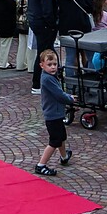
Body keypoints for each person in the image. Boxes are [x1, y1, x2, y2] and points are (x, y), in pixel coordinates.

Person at [35, 47, 72, 176]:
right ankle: (41, 165)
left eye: (55, 64)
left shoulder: (49, 76)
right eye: (49, 65)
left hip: (56, 113)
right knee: (55, 140)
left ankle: (63, 156)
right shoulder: (48, 79)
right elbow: (59, 95)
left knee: (61, 136)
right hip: (53, 115)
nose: (53, 67)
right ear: (42, 65)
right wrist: (70, 98)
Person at [24, 0, 59, 93]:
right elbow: (47, 8)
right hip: (44, 24)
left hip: (35, 21)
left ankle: (49, 79)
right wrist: (52, 24)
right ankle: (37, 83)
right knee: (43, 53)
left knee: (46, 51)